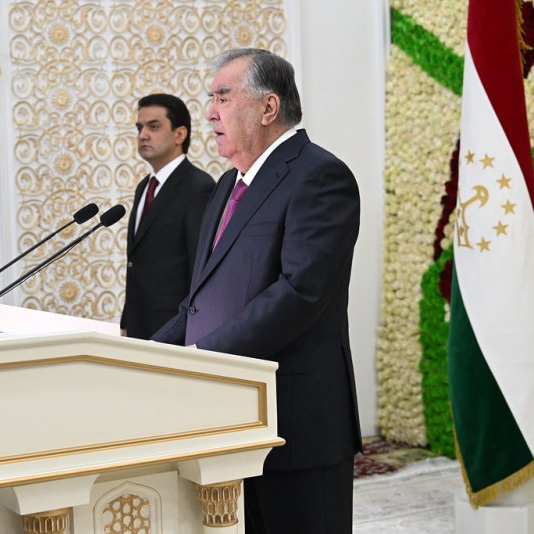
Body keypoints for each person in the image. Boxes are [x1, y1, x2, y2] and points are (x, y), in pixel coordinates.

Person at [151, 49, 362, 533]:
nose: (209, 112)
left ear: (268, 107)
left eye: (223, 97)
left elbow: (300, 291)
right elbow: (199, 300)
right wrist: (146, 354)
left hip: (295, 425)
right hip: (228, 423)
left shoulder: (320, 176)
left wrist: (206, 355)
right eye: (211, 98)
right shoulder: (228, 185)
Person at [120, 94, 215, 340]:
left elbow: (200, 269)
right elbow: (137, 263)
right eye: (139, 128)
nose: (143, 135)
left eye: (153, 127)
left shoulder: (198, 186)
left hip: (174, 329)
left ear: (179, 134)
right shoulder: (144, 186)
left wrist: (190, 331)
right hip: (139, 326)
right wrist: (127, 320)